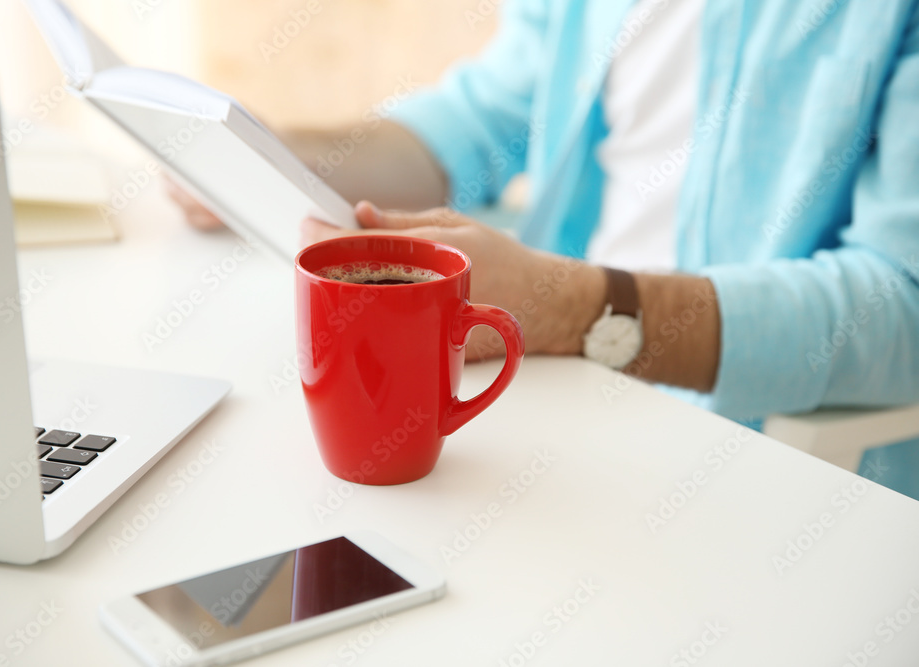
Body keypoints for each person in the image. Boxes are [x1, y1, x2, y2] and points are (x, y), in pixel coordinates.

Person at [171, 0, 919, 492]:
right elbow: (485, 116)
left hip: (762, 457)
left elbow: (904, 307)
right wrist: (287, 154)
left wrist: (571, 309)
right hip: (563, 391)